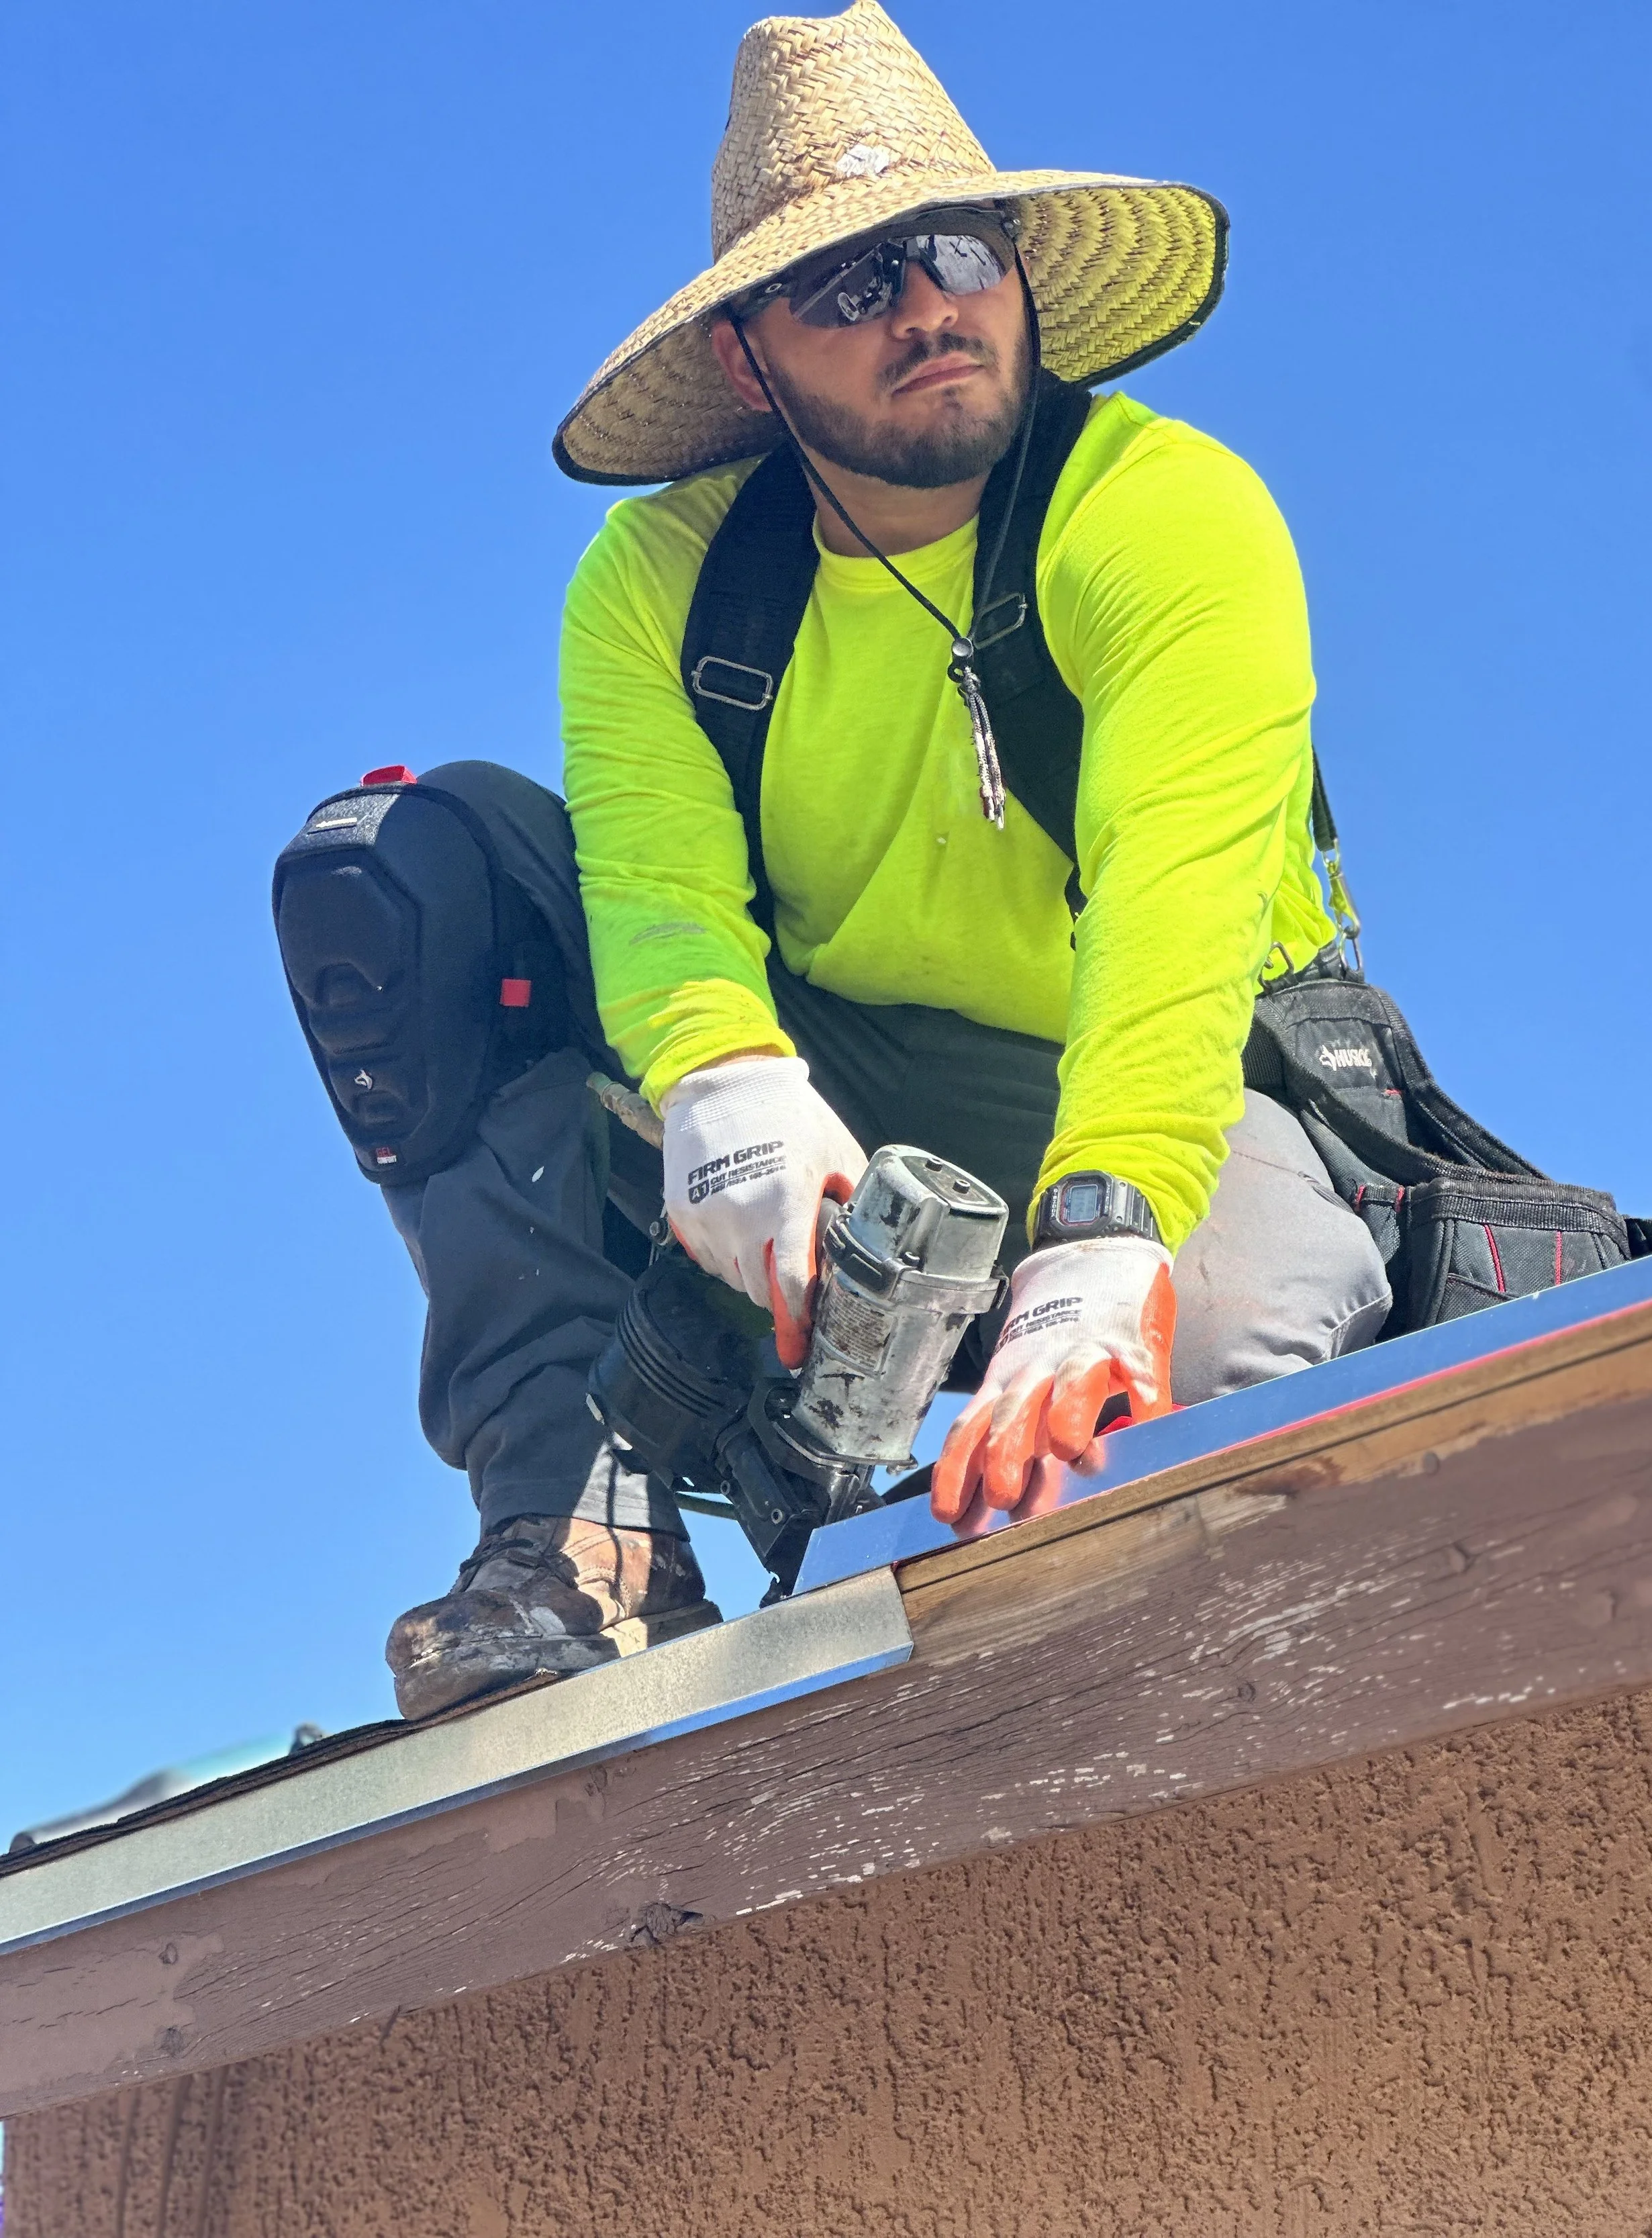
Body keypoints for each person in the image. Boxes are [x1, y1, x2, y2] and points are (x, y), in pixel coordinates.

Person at [276, 0, 1391, 1721]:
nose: (926, 306)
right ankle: (586, 1532)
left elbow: (1173, 908)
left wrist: (1101, 1239)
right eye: (854, 282)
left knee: (1218, 1371)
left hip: (1170, 1072)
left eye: (955, 252)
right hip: (838, 1075)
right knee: (410, 862)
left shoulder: (1166, 513)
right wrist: (722, 1089)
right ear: (748, 362)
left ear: (1017, 272)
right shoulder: (656, 585)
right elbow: (655, 893)